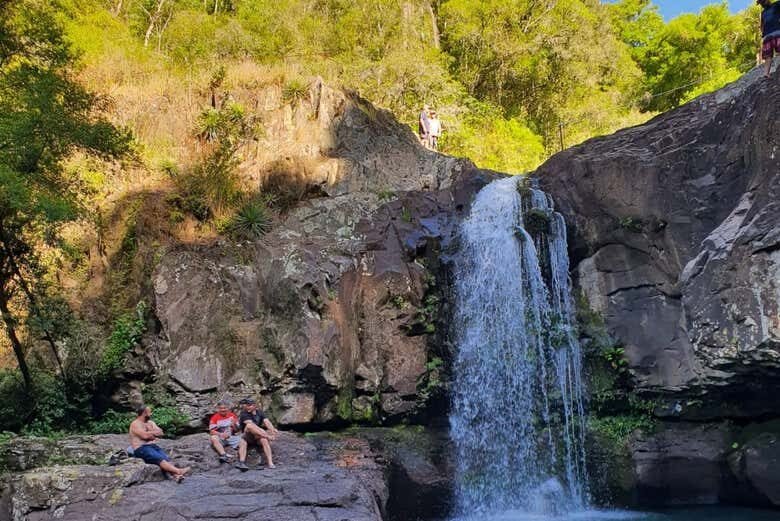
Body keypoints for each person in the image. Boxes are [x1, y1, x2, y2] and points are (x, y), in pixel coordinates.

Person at [129, 405, 190, 482]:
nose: (151, 413)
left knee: (166, 459)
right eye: (150, 412)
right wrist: (153, 433)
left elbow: (161, 432)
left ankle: (176, 476)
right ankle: (178, 471)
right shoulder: (135, 424)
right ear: (144, 413)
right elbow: (144, 436)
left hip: (153, 446)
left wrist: (150, 434)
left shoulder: (151, 422)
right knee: (159, 459)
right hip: (141, 448)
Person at [235, 397, 279, 472]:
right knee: (250, 426)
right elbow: (251, 425)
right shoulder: (244, 413)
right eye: (247, 405)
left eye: (250, 405)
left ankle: (270, 463)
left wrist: (272, 431)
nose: (247, 407)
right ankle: (241, 463)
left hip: (258, 436)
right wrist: (266, 434)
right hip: (248, 436)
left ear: (255, 406)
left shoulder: (260, 412)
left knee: (264, 440)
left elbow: (267, 422)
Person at [758, 0, 780, 78]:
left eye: (763, 1)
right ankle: (766, 73)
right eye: (761, 3)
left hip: (778, 31)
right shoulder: (763, 13)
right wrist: (762, 33)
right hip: (767, 36)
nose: (762, 4)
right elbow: (762, 24)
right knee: (768, 56)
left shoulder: (777, 4)